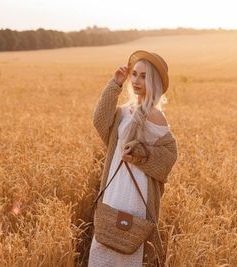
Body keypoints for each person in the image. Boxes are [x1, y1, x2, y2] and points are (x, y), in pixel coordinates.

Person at [88, 50, 178, 267]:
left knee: (129, 247)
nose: (137, 80)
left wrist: (141, 154)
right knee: (103, 244)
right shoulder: (124, 111)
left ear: (154, 81)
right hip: (114, 187)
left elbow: (169, 156)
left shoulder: (155, 116)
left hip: (136, 192)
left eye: (144, 76)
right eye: (135, 74)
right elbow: (100, 121)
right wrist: (115, 84)